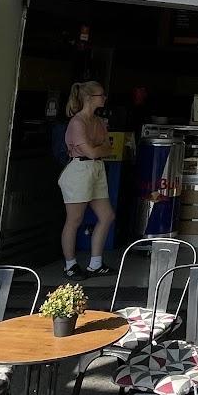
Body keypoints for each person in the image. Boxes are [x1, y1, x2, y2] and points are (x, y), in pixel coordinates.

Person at [59, 81, 116, 280]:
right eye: (101, 95)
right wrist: (98, 149)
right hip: (80, 169)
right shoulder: (77, 122)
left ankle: (96, 263)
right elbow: (93, 151)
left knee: (107, 215)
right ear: (90, 98)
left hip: (96, 168)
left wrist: (98, 149)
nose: (104, 98)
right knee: (74, 219)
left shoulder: (98, 121)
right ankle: (70, 264)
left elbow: (108, 148)